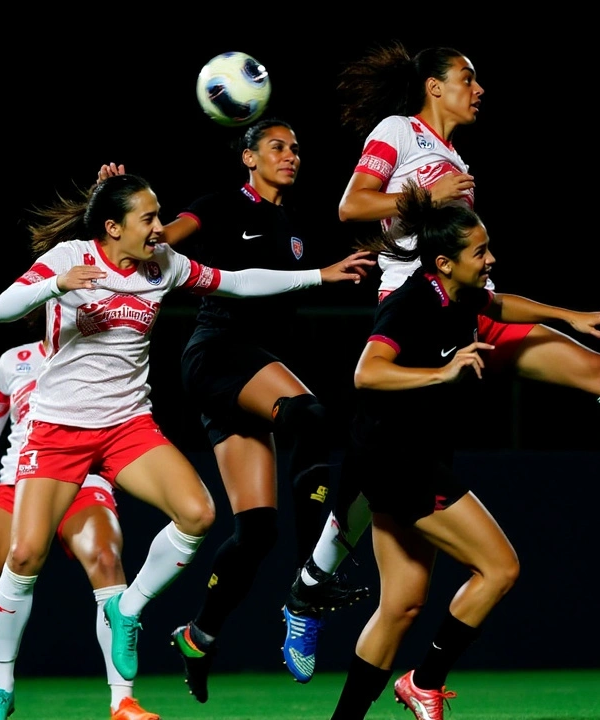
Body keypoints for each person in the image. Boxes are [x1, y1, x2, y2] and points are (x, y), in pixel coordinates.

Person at [282, 41, 600, 683]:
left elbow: (477, 275)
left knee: (595, 371)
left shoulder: (455, 160)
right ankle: (308, 590)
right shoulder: (398, 132)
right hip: (412, 320)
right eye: (468, 77)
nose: (479, 87)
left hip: (467, 314)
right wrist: (426, 199)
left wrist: (565, 313)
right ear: (434, 88)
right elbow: (351, 207)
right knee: (383, 471)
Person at [0, 172, 373, 720]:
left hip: (127, 425)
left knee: (198, 513)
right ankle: (1, 687)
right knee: (24, 556)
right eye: (148, 218)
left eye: (159, 215)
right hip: (59, 428)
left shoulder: (165, 265)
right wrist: (57, 285)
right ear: (113, 228)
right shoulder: (72, 255)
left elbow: (237, 281)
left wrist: (317, 276)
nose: (161, 228)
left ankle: (130, 610)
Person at [331, 181, 600, 719]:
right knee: (499, 569)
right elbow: (366, 372)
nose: (491, 259)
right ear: (444, 262)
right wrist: (442, 372)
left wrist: (568, 316)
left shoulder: (461, 294)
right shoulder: (412, 304)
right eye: (480, 252)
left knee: (401, 604)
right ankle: (423, 683)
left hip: (389, 459)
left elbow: (503, 303)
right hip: (398, 462)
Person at [97, 117, 373, 701]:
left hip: (247, 371)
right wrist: (117, 208)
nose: (291, 155)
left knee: (255, 531)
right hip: (219, 352)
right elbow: (164, 237)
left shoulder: (294, 225)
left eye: (297, 148)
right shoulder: (220, 203)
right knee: (313, 418)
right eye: (277, 146)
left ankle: (199, 635)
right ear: (248, 157)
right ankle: (309, 587)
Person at [0, 312, 159, 720]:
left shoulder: (100, 353)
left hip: (85, 481)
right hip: (19, 485)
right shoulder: (14, 362)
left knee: (107, 559)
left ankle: (123, 701)